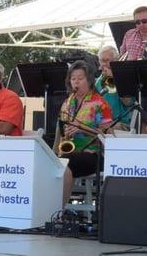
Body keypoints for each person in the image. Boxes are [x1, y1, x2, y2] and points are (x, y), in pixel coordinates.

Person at [59, 60, 113, 206]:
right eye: (73, 78)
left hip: (94, 154)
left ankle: (58, 210)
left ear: (89, 80)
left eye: (80, 78)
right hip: (72, 151)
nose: (76, 82)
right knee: (53, 163)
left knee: (64, 164)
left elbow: (108, 136)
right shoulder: (67, 104)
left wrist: (83, 128)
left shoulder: (100, 103)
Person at [95, 46, 134, 130]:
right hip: (101, 123)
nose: (104, 64)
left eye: (107, 60)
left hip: (120, 123)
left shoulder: (125, 79)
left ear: (116, 61)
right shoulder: (96, 82)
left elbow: (128, 103)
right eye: (102, 61)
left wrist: (114, 78)